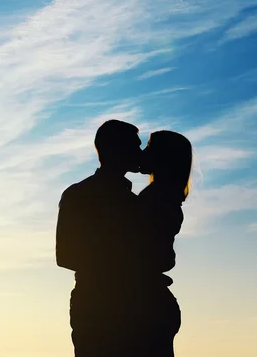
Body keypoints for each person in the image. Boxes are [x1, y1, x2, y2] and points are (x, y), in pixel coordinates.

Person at [55, 119, 147, 357]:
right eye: (135, 146)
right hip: (96, 305)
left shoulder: (133, 201)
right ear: (116, 149)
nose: (140, 152)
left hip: (119, 304)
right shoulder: (79, 195)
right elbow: (65, 256)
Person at [133, 130, 193, 357]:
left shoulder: (156, 199)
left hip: (148, 305)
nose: (143, 152)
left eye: (149, 147)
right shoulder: (161, 196)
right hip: (154, 302)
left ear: (163, 157)